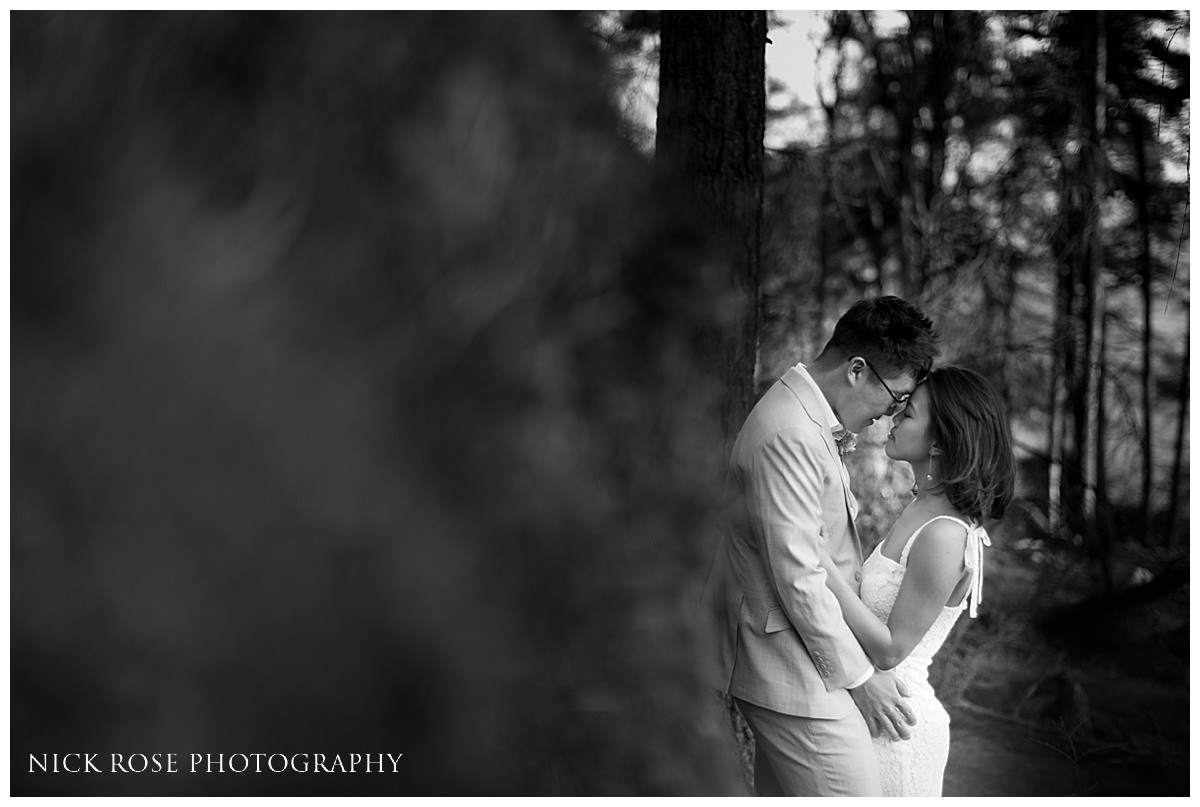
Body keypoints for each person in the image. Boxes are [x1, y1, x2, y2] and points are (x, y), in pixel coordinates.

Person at [701, 296, 940, 796]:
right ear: (857, 371)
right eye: (895, 398)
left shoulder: (806, 416)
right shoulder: (790, 431)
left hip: (801, 656)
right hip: (788, 665)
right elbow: (799, 574)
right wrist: (860, 679)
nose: (887, 417)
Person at [818, 365, 1015, 796]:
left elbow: (891, 650)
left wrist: (818, 564)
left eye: (908, 415)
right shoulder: (920, 509)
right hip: (868, 713)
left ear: (942, 441)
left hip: (897, 726)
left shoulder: (945, 534)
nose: (892, 418)